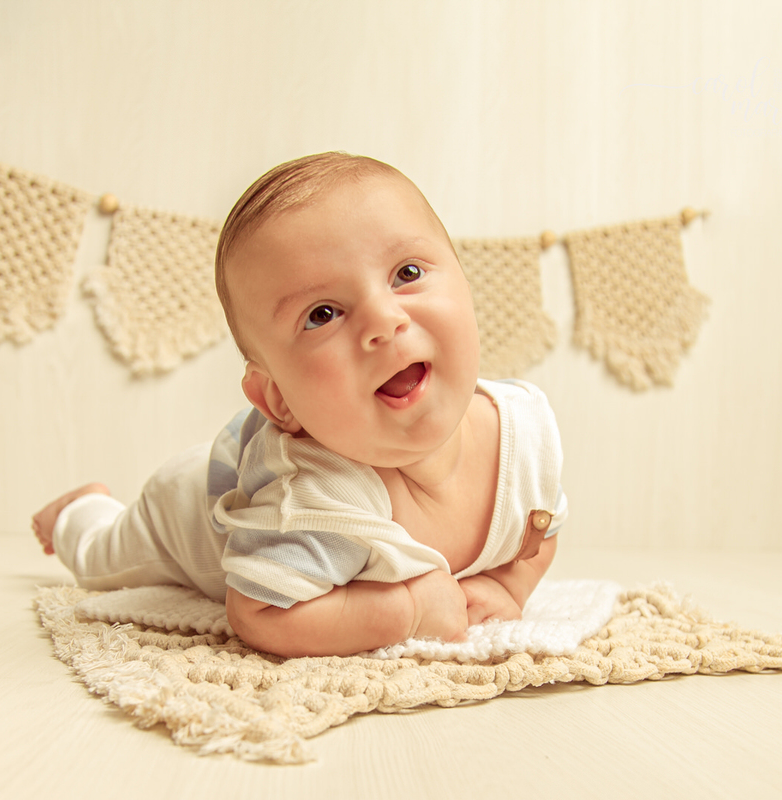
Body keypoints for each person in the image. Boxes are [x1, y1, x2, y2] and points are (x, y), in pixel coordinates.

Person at [32, 152, 566, 658]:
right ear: (279, 400)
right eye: (323, 313)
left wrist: (507, 585)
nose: (383, 320)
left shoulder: (520, 433)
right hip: (188, 510)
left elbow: (540, 530)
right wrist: (403, 611)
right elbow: (260, 612)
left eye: (406, 274)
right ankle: (78, 511)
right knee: (102, 556)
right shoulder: (313, 498)